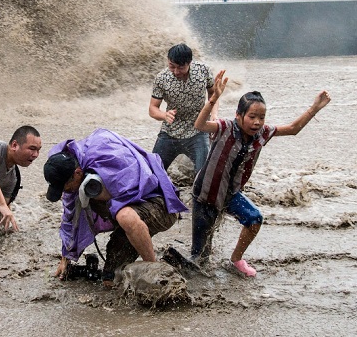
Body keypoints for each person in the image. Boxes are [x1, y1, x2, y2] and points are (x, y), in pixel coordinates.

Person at [191, 70, 331, 277]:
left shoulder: (263, 133)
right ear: (239, 116)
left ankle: (236, 260)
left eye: (262, 117)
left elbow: (293, 129)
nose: (257, 122)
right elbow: (199, 125)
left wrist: (314, 108)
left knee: (254, 218)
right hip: (206, 194)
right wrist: (213, 99)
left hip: (231, 195)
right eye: (252, 117)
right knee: (200, 258)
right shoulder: (225, 127)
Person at [43, 128, 188, 285]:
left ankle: (154, 271)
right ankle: (172, 261)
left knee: (125, 216)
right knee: (110, 280)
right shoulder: (75, 174)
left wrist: (107, 192)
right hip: (128, 219)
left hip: (159, 204)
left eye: (65, 187)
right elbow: (71, 218)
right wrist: (66, 258)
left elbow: (145, 184)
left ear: (77, 173)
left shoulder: (109, 157)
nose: (66, 191)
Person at [149, 43, 218, 176]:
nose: (176, 72)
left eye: (180, 67)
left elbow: (213, 94)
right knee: (153, 172)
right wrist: (164, 115)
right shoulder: (161, 79)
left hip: (198, 130)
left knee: (203, 176)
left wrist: (214, 114)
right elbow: (152, 108)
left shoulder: (203, 71)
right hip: (170, 132)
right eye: (171, 66)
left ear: (189, 63)